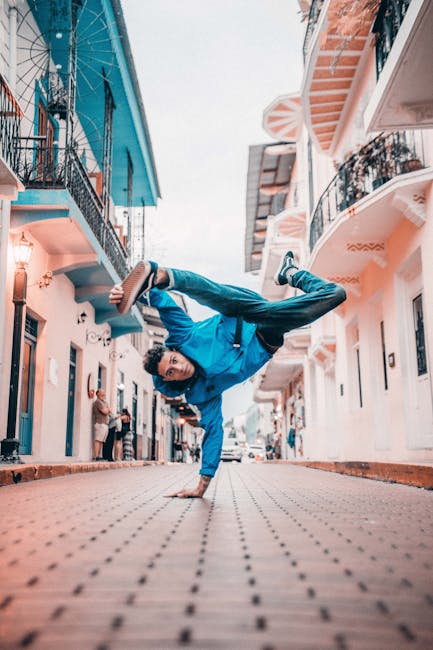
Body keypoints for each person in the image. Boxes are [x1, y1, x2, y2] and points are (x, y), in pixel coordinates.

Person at [109, 251, 346, 497]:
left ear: (174, 351)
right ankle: (291, 273)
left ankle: (160, 275)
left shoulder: (183, 335)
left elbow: (163, 303)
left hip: (241, 311)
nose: (178, 367)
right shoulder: (202, 394)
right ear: (170, 380)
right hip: (266, 336)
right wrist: (202, 486)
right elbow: (213, 432)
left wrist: (128, 293)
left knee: (213, 294)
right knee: (335, 294)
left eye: (174, 360)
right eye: (171, 372)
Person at [92, 389, 111, 461]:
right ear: (98, 394)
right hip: (100, 423)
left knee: (101, 441)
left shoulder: (104, 402)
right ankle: (96, 456)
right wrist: (108, 410)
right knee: (98, 440)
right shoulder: (98, 402)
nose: (104, 394)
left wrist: (108, 409)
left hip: (104, 424)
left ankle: (99, 456)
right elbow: (105, 411)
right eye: (102, 393)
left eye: (104, 392)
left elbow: (109, 410)